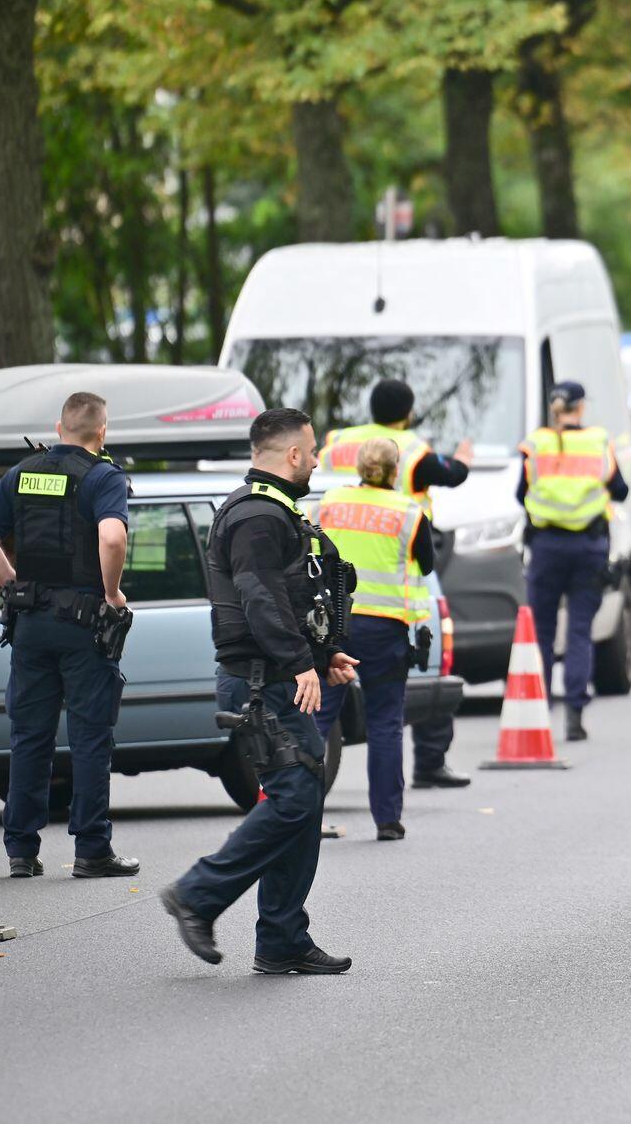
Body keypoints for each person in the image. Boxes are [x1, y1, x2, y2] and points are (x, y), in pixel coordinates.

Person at [162, 407, 359, 973]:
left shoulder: (274, 511)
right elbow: (259, 598)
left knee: (303, 796)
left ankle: (281, 939)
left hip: (272, 679)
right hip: (259, 684)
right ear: (293, 454)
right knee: (295, 797)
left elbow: (288, 596)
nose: (316, 460)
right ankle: (198, 894)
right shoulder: (256, 517)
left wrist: (322, 657)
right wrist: (299, 665)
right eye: (312, 451)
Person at [0, 391, 140, 880]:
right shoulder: (103, 477)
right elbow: (112, 537)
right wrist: (112, 592)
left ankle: (21, 850)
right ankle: (92, 850)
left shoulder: (22, 474)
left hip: (30, 625)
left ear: (59, 429)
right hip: (84, 627)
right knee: (90, 737)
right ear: (101, 432)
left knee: (29, 736)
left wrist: (15, 586)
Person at [323, 379, 475, 790]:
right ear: (408, 412)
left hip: (335, 580)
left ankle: (300, 805)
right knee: (433, 660)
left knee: (322, 707)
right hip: (397, 569)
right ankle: (430, 759)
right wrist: (463, 457)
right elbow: (453, 475)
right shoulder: (412, 449)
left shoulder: (337, 442)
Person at [313, 438, 432, 840]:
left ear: (360, 467)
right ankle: (387, 820)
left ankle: (302, 813)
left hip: (333, 626)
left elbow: (311, 551)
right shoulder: (408, 512)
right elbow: (427, 563)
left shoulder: (329, 503)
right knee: (385, 723)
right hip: (385, 628)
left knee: (319, 719)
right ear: (395, 470)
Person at [517, 381, 628, 742]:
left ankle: (540, 710)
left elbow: (520, 493)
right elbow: (621, 490)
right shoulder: (598, 441)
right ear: (580, 407)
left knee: (543, 632)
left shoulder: (536, 444)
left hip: (546, 546)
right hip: (588, 547)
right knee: (580, 631)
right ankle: (575, 715)